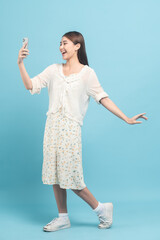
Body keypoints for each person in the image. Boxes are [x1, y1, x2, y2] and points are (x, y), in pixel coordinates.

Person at [17, 31, 148, 232]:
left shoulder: (88, 74)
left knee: (72, 177)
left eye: (65, 43)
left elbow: (103, 98)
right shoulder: (53, 70)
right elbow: (30, 85)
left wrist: (126, 118)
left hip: (70, 130)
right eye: (60, 44)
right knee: (55, 175)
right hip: (51, 127)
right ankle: (63, 217)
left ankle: (101, 209)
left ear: (77, 46)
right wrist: (20, 64)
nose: (61, 47)